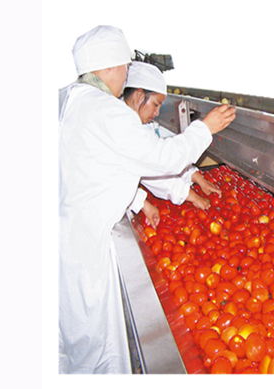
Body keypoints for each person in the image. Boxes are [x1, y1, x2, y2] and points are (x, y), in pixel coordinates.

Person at [58, 25, 235, 373]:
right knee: (96, 349)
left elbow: (107, 166)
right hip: (88, 244)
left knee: (74, 341)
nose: (124, 75)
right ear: (108, 66)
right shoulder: (105, 110)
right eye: (123, 67)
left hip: (71, 232)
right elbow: (160, 158)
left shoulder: (70, 99)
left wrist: (148, 198)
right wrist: (205, 128)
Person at [122, 62, 221, 228]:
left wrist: (197, 178)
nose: (157, 113)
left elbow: (157, 160)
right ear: (139, 95)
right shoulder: (124, 127)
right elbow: (160, 163)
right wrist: (192, 196)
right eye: (156, 104)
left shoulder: (135, 124)